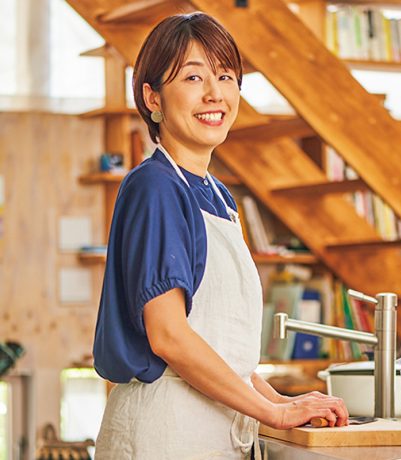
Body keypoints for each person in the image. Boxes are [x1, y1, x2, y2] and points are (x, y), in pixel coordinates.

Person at [93, 12, 349, 460]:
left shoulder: (219, 196)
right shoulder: (155, 186)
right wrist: (276, 415)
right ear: (152, 98)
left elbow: (225, 354)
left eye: (226, 76)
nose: (215, 93)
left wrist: (282, 402)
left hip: (210, 436)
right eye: (193, 76)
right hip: (163, 435)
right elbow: (169, 336)